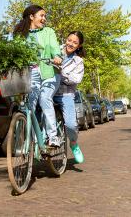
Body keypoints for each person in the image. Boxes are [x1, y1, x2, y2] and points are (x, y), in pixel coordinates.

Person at [13, 5, 63, 148]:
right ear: (31, 17)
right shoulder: (20, 34)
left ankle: (53, 137)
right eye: (41, 15)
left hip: (49, 71)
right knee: (30, 105)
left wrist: (57, 56)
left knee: (45, 99)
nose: (44, 19)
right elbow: (16, 53)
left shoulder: (48, 32)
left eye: (44, 16)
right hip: (31, 73)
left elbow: (54, 47)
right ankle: (33, 139)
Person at [54, 31, 85, 164]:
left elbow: (76, 79)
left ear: (79, 46)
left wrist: (62, 72)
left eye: (75, 42)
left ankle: (73, 143)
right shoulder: (55, 49)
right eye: (69, 40)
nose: (71, 44)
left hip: (65, 94)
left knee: (71, 125)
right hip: (49, 91)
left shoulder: (78, 61)